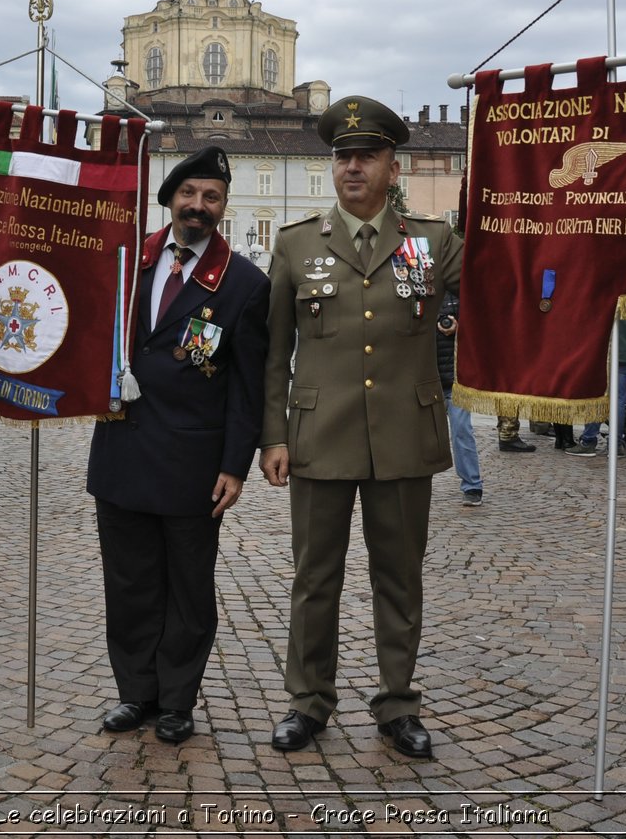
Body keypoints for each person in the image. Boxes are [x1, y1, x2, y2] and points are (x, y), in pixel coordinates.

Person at [260, 95, 462, 759]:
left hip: (405, 435)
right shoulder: (295, 246)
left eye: (365, 155)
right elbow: (274, 354)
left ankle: (398, 704)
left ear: (392, 166)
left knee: (399, 578)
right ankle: (308, 700)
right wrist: (274, 434)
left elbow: (501, 268)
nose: (352, 166)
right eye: (343, 156)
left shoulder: (431, 242)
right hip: (320, 436)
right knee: (315, 577)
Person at [87, 146, 268, 744]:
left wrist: (234, 467)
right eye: (188, 194)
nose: (198, 206)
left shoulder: (243, 282)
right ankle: (134, 692)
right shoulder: (125, 262)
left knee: (189, 590)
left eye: (211, 196)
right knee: (130, 583)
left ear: (222, 206)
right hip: (122, 448)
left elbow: (247, 387)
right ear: (169, 200)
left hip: (193, 463)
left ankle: (177, 700)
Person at [435, 292, 483, 504]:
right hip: (426, 380)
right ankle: (411, 484)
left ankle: (472, 486)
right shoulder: (420, 294)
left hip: (455, 380)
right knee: (416, 437)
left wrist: (458, 329)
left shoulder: (460, 293)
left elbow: (480, 327)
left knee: (462, 432)